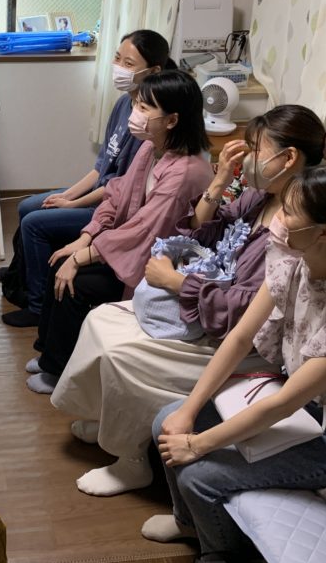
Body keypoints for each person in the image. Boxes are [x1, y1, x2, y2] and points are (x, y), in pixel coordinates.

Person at [145, 164, 326, 563]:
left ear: (324, 232)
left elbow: (284, 403)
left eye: (289, 211)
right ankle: (188, 522)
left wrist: (198, 445)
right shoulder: (295, 261)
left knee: (201, 477)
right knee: (165, 421)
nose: (278, 217)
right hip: (304, 408)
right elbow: (239, 338)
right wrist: (188, 411)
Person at [52, 105, 326, 497]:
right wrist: (221, 179)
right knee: (101, 319)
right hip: (210, 307)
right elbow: (203, 231)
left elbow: (247, 309)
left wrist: (178, 283)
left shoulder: (296, 229)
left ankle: (132, 459)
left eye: (256, 148)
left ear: (289, 157)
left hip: (241, 335)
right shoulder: (260, 197)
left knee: (123, 355)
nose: (248, 156)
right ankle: (107, 418)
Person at [26, 70, 214, 394]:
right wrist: (85, 238)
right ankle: (49, 353)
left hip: (154, 264)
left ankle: (58, 369)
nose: (135, 113)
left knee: (74, 283)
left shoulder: (185, 173)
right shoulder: (151, 148)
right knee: (59, 261)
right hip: (129, 248)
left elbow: (145, 231)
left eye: (144, 108)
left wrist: (82, 257)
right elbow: (116, 194)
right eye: (137, 105)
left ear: (172, 120)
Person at [0, 30, 177, 328]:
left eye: (129, 63)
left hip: (109, 207)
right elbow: (100, 168)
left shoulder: (149, 125)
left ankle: (37, 306)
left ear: (154, 71)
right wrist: (68, 195)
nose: (118, 67)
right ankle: (23, 277)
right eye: (117, 58)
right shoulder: (124, 105)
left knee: (33, 223)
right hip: (98, 194)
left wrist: (73, 204)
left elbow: (119, 189)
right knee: (28, 205)